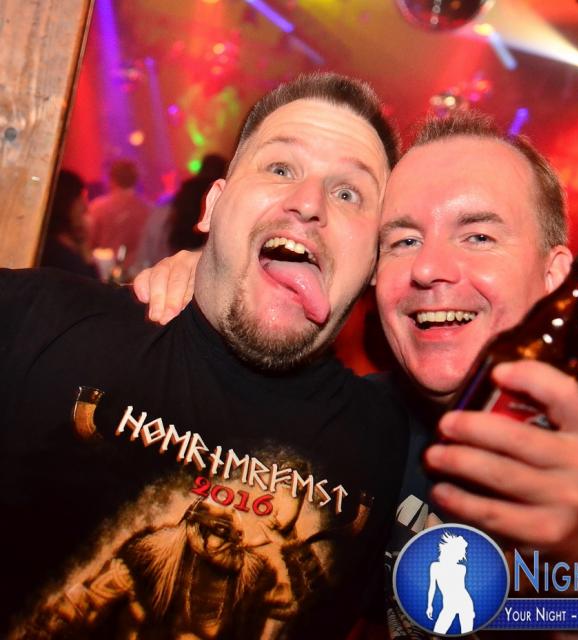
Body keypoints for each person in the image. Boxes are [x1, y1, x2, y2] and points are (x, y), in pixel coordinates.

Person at [137, 110, 578, 640]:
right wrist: (211, 278)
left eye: (478, 237)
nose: (428, 269)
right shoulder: (366, 418)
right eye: (403, 242)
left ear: (557, 278)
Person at [0, 72, 409, 639]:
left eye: (348, 193)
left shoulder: (395, 445)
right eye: (280, 168)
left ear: (376, 261)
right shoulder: (36, 321)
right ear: (214, 206)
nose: (309, 203)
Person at [88, 158, 152, 273]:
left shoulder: (98, 207)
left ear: (112, 180)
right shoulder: (147, 211)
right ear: (136, 180)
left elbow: (89, 240)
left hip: (101, 271)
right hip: (135, 272)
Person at [40, 169, 99, 279]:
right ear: (65, 202)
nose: (85, 207)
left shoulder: (69, 242)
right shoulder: (54, 250)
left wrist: (83, 245)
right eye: (80, 199)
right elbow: (90, 284)